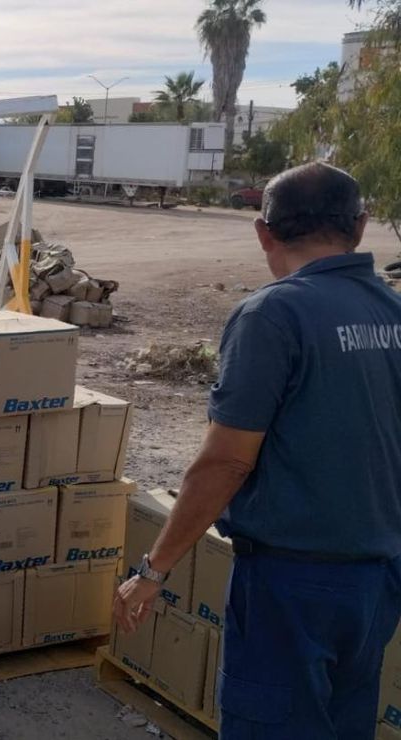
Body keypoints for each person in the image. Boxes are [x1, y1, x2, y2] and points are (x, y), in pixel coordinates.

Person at [113, 162, 401, 739]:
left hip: (292, 583)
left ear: (264, 232)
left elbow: (227, 461)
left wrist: (155, 568)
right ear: (361, 227)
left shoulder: (274, 314)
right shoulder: (391, 312)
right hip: (376, 578)